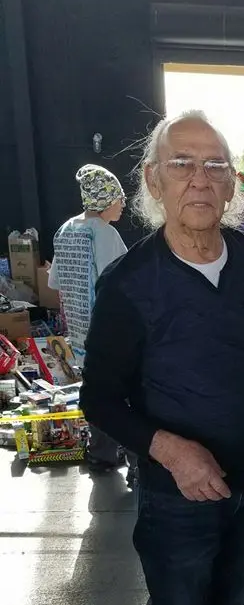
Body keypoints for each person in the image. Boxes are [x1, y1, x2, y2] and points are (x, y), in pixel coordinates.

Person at [80, 111, 244, 605]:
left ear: (233, 187)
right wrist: (169, 449)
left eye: (215, 165)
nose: (201, 178)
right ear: (153, 181)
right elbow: (99, 400)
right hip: (176, 496)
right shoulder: (131, 285)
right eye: (183, 163)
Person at [48, 164, 129, 471]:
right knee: (125, 397)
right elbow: (122, 283)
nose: (122, 204)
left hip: (80, 334)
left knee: (95, 393)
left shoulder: (65, 229)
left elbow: (54, 282)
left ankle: (100, 454)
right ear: (106, 199)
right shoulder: (104, 234)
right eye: (119, 197)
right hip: (109, 333)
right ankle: (137, 465)